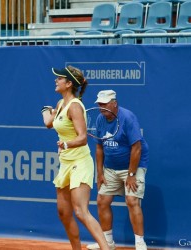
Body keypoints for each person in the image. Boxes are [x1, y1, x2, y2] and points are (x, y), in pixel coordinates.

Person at [41, 66, 110, 250]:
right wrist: (45, 110)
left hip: (80, 162)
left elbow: (82, 137)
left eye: (60, 78)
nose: (56, 80)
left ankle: (106, 248)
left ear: (69, 83)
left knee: (80, 211)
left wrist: (65, 144)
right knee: (64, 213)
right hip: (65, 164)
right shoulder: (60, 103)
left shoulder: (75, 107)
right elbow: (49, 123)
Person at [86, 90, 149, 250]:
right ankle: (108, 242)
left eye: (105, 104)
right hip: (111, 168)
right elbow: (99, 148)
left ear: (114, 103)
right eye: (99, 104)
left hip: (133, 166)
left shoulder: (128, 118)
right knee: (102, 201)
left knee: (132, 201)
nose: (102, 107)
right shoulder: (100, 119)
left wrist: (131, 174)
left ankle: (140, 243)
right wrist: (99, 173)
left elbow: (137, 147)